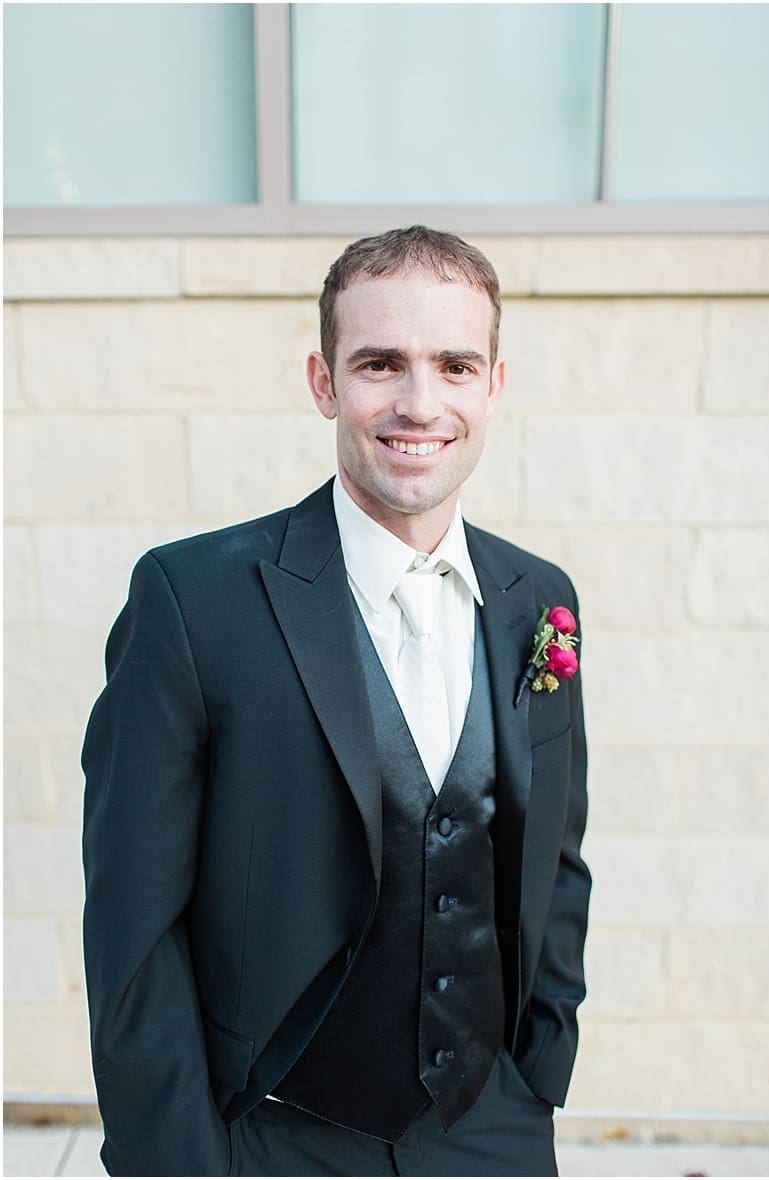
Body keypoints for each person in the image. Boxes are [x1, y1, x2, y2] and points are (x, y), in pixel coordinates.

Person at [82, 226, 589, 1176]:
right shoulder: (192, 600)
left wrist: (538, 1072)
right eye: (379, 364)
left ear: (494, 386)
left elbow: (556, 858)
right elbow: (131, 931)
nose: (419, 403)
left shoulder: (539, 599)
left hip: (491, 1129)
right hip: (269, 1131)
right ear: (324, 383)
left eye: (454, 365)